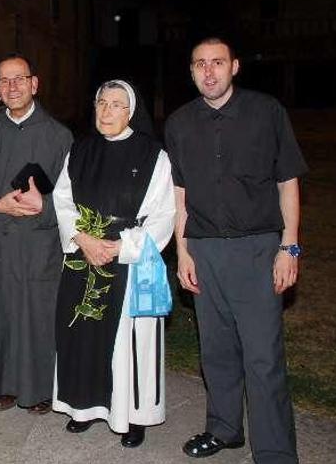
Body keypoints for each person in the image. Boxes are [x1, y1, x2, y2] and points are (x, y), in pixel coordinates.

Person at [165, 37, 307, 463]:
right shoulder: (178, 123)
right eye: (199, 64)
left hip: (258, 251)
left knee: (263, 358)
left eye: (217, 63)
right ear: (191, 71)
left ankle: (275, 452)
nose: (209, 72)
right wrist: (183, 252)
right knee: (217, 352)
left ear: (235, 66)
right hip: (205, 251)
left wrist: (290, 247)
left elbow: (288, 182)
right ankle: (224, 429)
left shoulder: (267, 113)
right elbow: (180, 193)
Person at [51, 80, 175, 448]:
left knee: (130, 343)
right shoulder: (80, 150)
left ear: (131, 111)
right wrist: (83, 240)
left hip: (130, 263)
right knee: (81, 334)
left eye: (116, 105)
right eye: (101, 103)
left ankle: (133, 416)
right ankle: (83, 407)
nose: (106, 111)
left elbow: (164, 213)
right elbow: (62, 200)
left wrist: (120, 247)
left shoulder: (154, 155)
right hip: (83, 256)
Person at [0, 54, 72, 414]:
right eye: (5, 81)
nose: (13, 87)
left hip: (39, 247)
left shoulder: (59, 135)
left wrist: (44, 207)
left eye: (20, 79)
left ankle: (38, 391)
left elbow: (73, 196)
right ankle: (0, 385)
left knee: (36, 319)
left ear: (34, 84)